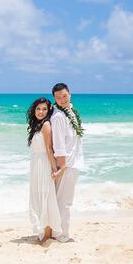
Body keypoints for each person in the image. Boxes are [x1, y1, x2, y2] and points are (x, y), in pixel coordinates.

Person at [50, 82, 84, 243]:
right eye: (58, 97)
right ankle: (62, 234)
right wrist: (62, 166)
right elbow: (59, 144)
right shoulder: (58, 117)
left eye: (64, 95)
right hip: (67, 164)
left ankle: (60, 231)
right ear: (54, 99)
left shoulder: (71, 112)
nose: (62, 99)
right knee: (64, 201)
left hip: (74, 162)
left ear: (69, 93)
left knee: (65, 200)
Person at [26, 97, 62, 244]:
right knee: (38, 195)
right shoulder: (36, 125)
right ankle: (43, 230)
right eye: (38, 109)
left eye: (44, 109)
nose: (41, 112)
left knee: (45, 197)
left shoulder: (46, 125)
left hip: (44, 164)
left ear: (48, 111)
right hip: (36, 164)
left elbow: (49, 149)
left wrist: (55, 170)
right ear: (34, 110)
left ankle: (47, 233)